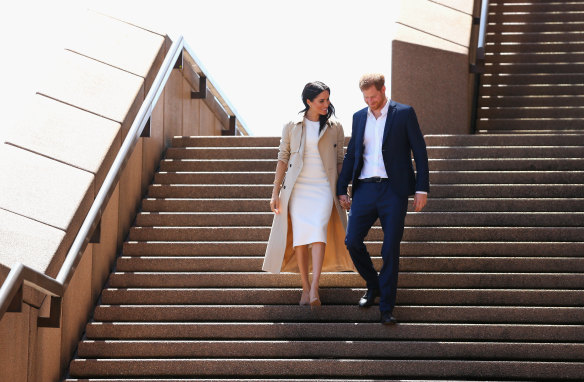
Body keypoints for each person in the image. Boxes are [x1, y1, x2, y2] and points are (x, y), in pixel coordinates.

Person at [337, 73, 429, 325]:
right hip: (365, 189)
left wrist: (422, 188)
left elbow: (419, 151)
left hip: (394, 190)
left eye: (374, 96)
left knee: (390, 248)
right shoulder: (359, 117)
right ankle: (373, 285)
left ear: (384, 89)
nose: (370, 101)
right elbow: (352, 154)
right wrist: (341, 186)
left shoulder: (404, 113)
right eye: (366, 97)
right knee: (352, 241)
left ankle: (386, 308)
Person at [263, 81, 355, 307]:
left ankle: (315, 287)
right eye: (321, 100)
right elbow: (283, 158)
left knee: (317, 232)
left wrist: (343, 191)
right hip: (298, 189)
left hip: (324, 187)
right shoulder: (291, 126)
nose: (327, 104)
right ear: (308, 102)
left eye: (328, 99)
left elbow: (340, 160)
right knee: (302, 239)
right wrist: (275, 192)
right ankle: (305, 287)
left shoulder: (336, 127)